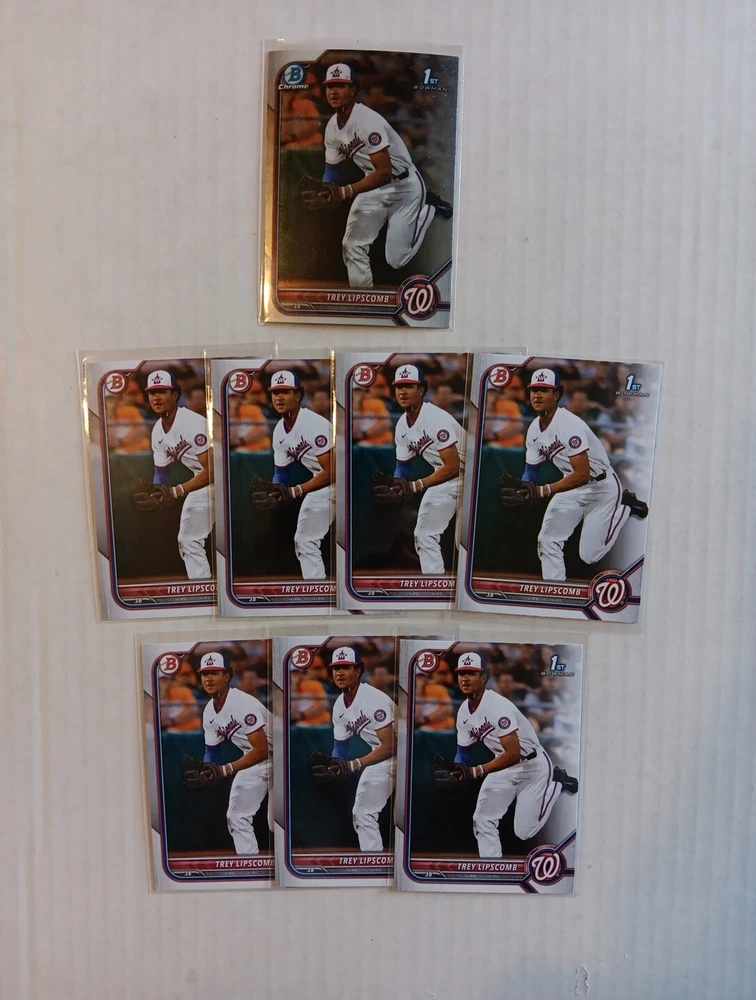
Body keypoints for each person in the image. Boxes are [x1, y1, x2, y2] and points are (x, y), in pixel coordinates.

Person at [315, 63, 452, 290]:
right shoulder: (332, 128)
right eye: (330, 86)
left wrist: (345, 191)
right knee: (352, 244)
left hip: (404, 186)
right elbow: (332, 169)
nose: (333, 92)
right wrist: (326, 187)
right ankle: (361, 298)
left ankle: (428, 210)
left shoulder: (367, 120)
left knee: (396, 260)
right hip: (373, 186)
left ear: (353, 90)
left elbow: (385, 173)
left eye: (340, 85)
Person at [438, 652, 578, 858]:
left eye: (471, 673)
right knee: (483, 819)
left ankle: (556, 784)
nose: (465, 678)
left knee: (524, 832)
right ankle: (490, 866)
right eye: (461, 673)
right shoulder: (463, 713)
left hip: (532, 765)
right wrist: (457, 769)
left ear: (484, 678)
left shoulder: (497, 706)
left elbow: (513, 754)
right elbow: (463, 752)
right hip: (503, 765)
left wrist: (475, 771)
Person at [515, 368, 648, 581]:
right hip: (571, 486)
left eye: (544, 390)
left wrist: (542, 491)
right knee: (548, 539)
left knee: (589, 555)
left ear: (557, 395)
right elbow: (532, 469)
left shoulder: (569, 425)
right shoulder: (533, 430)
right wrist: (525, 486)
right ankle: (554, 589)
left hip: (601, 486)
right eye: (534, 390)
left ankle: (624, 507)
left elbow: (583, 474)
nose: (537, 395)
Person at [380, 364, 464, 575]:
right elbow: (402, 467)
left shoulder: (436, 418)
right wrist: (397, 484)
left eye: (409, 386)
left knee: (464, 543)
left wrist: (415, 486)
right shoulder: (402, 424)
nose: (403, 392)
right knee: (425, 535)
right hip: (446, 477)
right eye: (399, 387)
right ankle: (434, 584)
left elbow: (454, 466)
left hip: (473, 475)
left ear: (422, 390)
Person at [311, 647, 397, 852]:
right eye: (336, 668)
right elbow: (340, 748)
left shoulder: (373, 699)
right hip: (383, 757)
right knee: (362, 813)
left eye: (345, 668)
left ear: (358, 671)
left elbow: (392, 745)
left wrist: (354, 765)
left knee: (403, 818)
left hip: (408, 754)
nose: (339, 673)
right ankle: (373, 861)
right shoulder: (339, 706)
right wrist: (334, 763)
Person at [255, 370, 335, 580]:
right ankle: (317, 589)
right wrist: (275, 490)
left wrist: (295, 491)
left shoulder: (314, 424)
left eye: (285, 392)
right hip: (324, 483)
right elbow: (281, 473)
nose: (279, 398)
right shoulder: (280, 430)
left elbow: (333, 471)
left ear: (298, 395)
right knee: (305, 540)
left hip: (346, 481)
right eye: (275, 393)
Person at [194, 652, 271, 856]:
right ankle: (249, 864)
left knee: (275, 822)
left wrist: (226, 769)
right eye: (205, 674)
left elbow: (263, 750)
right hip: (254, 759)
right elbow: (212, 752)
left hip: (283, 757)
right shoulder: (209, 711)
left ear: (227, 676)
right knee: (236, 817)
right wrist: (207, 769)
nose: (208, 678)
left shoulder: (243, 704)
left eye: (214, 673)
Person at [144, 369, 213, 580]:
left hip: (226, 478)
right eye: (152, 392)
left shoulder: (192, 422)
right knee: (188, 540)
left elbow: (214, 470)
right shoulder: (158, 430)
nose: (156, 397)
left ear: (175, 394)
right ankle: (202, 589)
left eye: (162, 391)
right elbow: (162, 473)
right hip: (203, 481)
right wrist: (156, 491)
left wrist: (176, 491)